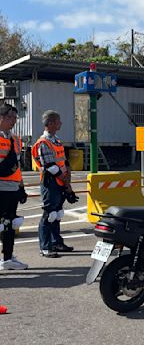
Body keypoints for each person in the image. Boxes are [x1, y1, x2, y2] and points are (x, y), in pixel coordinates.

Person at [32, 110, 78, 258]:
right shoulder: (43, 143)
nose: (60, 123)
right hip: (50, 183)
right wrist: (65, 182)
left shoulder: (56, 141)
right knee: (49, 214)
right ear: (50, 123)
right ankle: (45, 247)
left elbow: (64, 161)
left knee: (57, 214)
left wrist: (67, 180)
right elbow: (50, 166)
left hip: (60, 182)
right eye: (58, 121)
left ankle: (56, 242)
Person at [0, 103, 28, 270]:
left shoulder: (15, 139)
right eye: (11, 117)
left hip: (13, 187)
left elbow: (17, 165)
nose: (14, 121)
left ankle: (8, 258)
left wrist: (21, 186)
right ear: (1, 117)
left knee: (10, 223)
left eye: (16, 118)